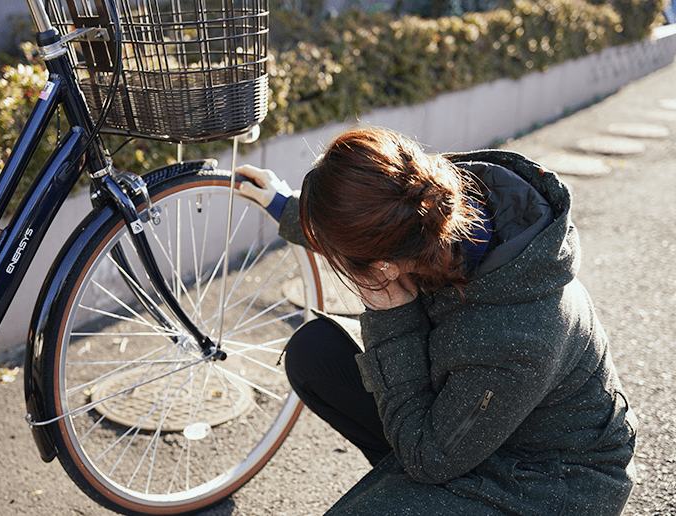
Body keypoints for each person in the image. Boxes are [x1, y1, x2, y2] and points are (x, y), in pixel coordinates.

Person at [236, 127, 637, 516]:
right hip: (477, 419)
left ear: (386, 269)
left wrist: (391, 312)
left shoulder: (517, 334)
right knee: (316, 352)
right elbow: (374, 227)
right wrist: (283, 204)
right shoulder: (434, 200)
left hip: (551, 478)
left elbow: (429, 460)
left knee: (415, 470)